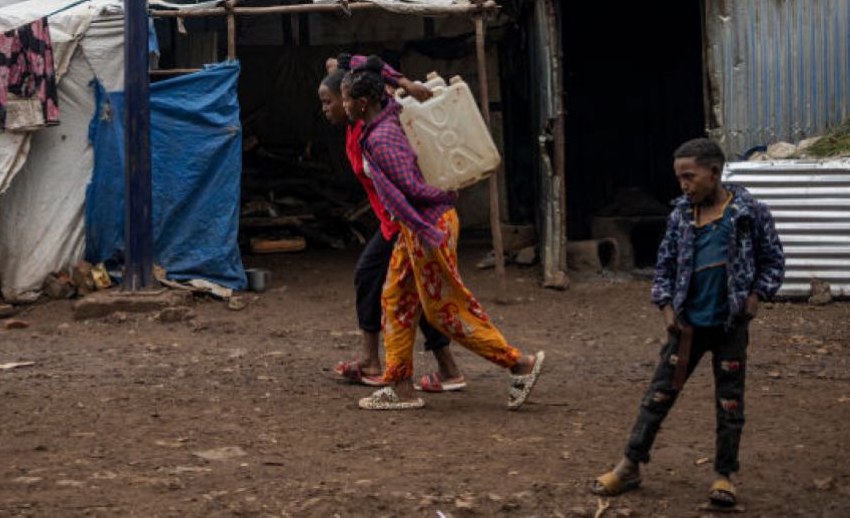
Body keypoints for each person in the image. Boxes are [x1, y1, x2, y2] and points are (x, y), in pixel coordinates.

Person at [340, 57, 545, 411]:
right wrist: (405, 82)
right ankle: (399, 385)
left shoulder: (382, 138)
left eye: (344, 99)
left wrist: (443, 199)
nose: (342, 105)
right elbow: (361, 60)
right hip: (419, 227)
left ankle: (518, 363)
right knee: (396, 299)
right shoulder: (387, 114)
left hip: (427, 226)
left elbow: (409, 190)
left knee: (444, 311)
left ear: (362, 103)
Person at [591, 137, 784, 510]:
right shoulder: (681, 215)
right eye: (680, 178)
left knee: (730, 404)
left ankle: (725, 475)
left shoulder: (748, 213)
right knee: (658, 395)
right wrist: (666, 309)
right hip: (686, 329)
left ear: (715, 173)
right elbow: (664, 266)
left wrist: (757, 295)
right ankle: (629, 465)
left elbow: (773, 260)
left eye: (690, 177)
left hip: (729, 327)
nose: (684, 185)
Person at [319, 56, 464, 392]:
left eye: (331, 102)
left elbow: (362, 60)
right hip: (394, 222)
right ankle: (448, 369)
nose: (327, 108)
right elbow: (346, 63)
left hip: (404, 222)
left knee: (373, 280)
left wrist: (404, 83)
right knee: (416, 293)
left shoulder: (376, 130)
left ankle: (379, 365)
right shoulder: (355, 125)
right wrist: (333, 68)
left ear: (354, 100)